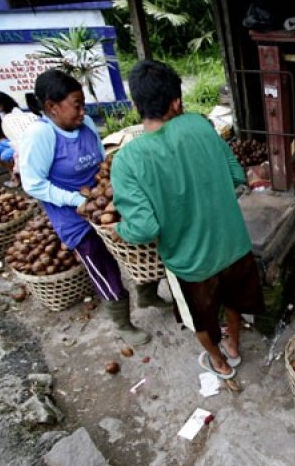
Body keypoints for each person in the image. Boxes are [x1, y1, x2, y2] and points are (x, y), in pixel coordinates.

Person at [109, 59, 264, 380]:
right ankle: (234, 346)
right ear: (176, 102)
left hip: (191, 264)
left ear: (137, 105)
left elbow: (144, 228)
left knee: (201, 320)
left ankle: (219, 363)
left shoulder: (126, 160)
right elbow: (238, 175)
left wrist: (118, 229)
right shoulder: (199, 125)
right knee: (235, 301)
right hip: (233, 245)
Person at [19, 69, 169, 346]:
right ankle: (122, 322)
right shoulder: (40, 134)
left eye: (82, 103)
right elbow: (33, 184)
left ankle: (148, 293)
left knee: (140, 247)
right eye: (76, 105)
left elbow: (102, 163)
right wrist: (79, 201)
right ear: (52, 107)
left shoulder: (85, 123)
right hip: (74, 218)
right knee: (102, 265)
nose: (82, 110)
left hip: (104, 204)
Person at [0, 91, 23, 188]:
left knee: (5, 155)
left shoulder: (16, 112)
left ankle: (17, 176)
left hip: (20, 141)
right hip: (9, 141)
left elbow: (20, 134)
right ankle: (11, 172)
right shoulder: (1, 112)